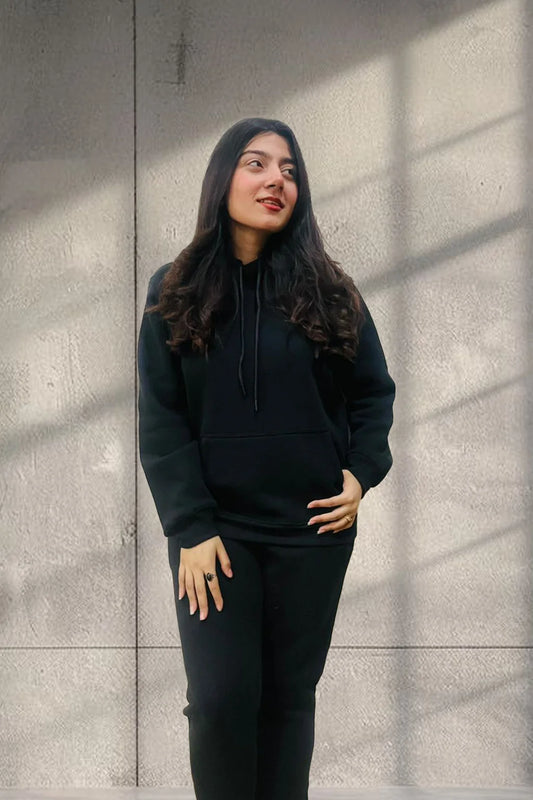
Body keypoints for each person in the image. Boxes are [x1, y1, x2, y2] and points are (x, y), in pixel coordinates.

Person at [137, 117, 396, 800]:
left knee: (287, 701)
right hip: (214, 535)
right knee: (220, 700)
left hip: (311, 530)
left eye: (289, 169)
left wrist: (360, 474)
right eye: (256, 164)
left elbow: (373, 394)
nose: (275, 179)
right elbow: (160, 418)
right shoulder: (174, 289)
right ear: (222, 178)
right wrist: (189, 527)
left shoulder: (331, 291)